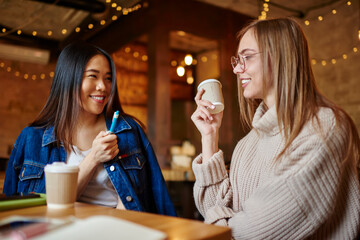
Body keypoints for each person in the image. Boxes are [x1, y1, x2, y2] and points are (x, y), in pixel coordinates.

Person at [191, 17, 360, 239]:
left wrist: (219, 223)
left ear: (280, 57)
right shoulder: (248, 144)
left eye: (248, 57)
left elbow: (254, 232)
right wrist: (210, 136)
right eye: (237, 60)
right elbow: (212, 206)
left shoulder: (323, 128)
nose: (237, 69)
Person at [3, 42, 176, 216]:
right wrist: (93, 158)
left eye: (108, 78)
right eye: (93, 76)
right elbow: (16, 211)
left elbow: (159, 200)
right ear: (69, 78)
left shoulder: (129, 131)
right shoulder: (31, 138)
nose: (103, 86)